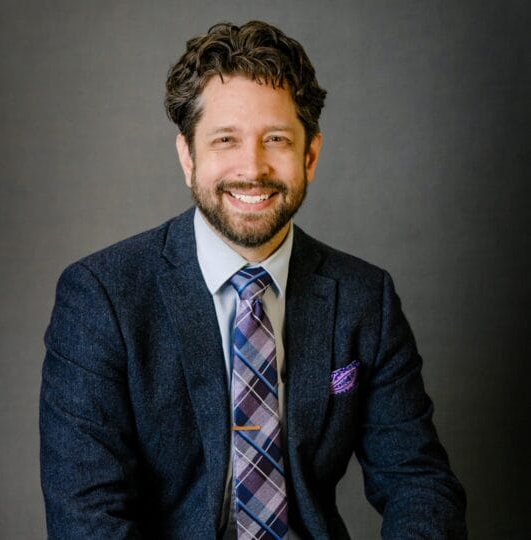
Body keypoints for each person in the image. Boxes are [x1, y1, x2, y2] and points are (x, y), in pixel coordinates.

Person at [40, 20, 467, 539]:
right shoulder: (101, 297)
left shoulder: (364, 298)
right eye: (225, 140)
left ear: (310, 155)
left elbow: (418, 482)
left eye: (276, 139)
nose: (253, 167)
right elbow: (86, 517)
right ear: (187, 156)